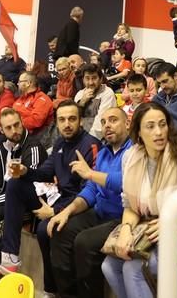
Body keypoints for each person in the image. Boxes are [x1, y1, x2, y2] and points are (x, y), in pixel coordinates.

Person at [101, 102, 177, 298]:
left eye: (163, 124)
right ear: (138, 132)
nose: (159, 132)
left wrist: (170, 220)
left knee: (134, 270)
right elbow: (130, 204)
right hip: (150, 230)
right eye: (150, 126)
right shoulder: (130, 157)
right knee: (109, 266)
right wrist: (126, 231)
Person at [0, 101, 98, 296]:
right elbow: (45, 173)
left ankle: (52, 291)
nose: (67, 124)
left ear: (81, 121)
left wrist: (55, 212)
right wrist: (26, 171)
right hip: (57, 199)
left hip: (78, 204)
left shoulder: (91, 145)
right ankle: (10, 255)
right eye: (62, 120)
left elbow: (91, 190)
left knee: (46, 230)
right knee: (15, 184)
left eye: (72, 119)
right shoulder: (61, 142)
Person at [47, 107, 133, 298]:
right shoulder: (103, 153)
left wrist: (91, 174)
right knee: (60, 231)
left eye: (113, 120)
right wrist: (66, 212)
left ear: (127, 124)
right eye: (103, 122)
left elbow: (128, 183)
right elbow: (91, 190)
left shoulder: (134, 151)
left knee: (84, 242)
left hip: (123, 216)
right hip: (99, 213)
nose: (107, 126)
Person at [0, 109, 47, 225]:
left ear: (22, 122)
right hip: (6, 195)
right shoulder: (3, 148)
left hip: (27, 197)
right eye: (8, 128)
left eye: (17, 125)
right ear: (1, 130)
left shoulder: (33, 146)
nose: (14, 131)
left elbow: (30, 183)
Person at [74, 63, 117, 140]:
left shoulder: (107, 93)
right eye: (87, 78)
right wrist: (81, 103)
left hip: (99, 139)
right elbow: (73, 118)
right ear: (83, 79)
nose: (90, 83)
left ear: (100, 79)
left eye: (94, 78)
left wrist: (87, 142)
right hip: (79, 137)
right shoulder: (80, 94)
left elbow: (100, 125)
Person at [12, 72, 54, 144]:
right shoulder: (20, 99)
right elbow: (12, 113)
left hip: (35, 138)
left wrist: (16, 124)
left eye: (19, 82)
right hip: (18, 134)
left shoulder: (42, 99)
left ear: (28, 83)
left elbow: (36, 121)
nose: (17, 84)